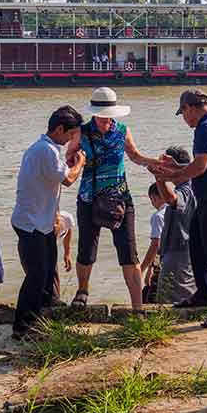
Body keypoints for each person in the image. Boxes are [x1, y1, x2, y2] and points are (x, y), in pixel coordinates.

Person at [65, 87, 160, 311]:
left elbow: (134, 155)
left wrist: (153, 162)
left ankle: (137, 308)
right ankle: (83, 291)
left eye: (109, 116)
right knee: (86, 249)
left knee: (129, 252)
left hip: (120, 198)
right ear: (94, 113)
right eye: (102, 116)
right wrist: (74, 159)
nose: (106, 120)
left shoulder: (123, 130)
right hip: (89, 198)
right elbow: (68, 157)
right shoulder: (81, 132)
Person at [155, 89, 207, 327]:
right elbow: (204, 164)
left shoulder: (205, 128)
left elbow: (200, 168)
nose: (184, 119)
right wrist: (177, 166)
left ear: (190, 108)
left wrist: (171, 175)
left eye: (183, 113)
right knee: (197, 247)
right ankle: (203, 294)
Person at [11, 106, 86, 339]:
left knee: (47, 271)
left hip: (41, 221)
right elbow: (68, 179)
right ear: (59, 129)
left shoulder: (45, 148)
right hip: (31, 223)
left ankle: (43, 313)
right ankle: (22, 326)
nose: (71, 139)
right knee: (36, 275)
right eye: (70, 134)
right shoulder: (46, 150)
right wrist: (80, 162)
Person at [151, 146, 198, 304]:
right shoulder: (192, 185)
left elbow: (172, 199)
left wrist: (159, 177)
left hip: (180, 254)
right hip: (183, 253)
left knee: (171, 301)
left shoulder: (187, 189)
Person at [140, 183, 166, 303]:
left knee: (148, 296)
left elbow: (156, 245)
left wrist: (143, 269)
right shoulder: (176, 210)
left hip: (162, 263)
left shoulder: (158, 216)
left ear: (154, 197)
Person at [52, 210, 75, 303]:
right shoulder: (44, 224)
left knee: (53, 273)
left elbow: (68, 231)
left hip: (50, 246)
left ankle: (55, 300)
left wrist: (67, 253)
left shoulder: (67, 218)